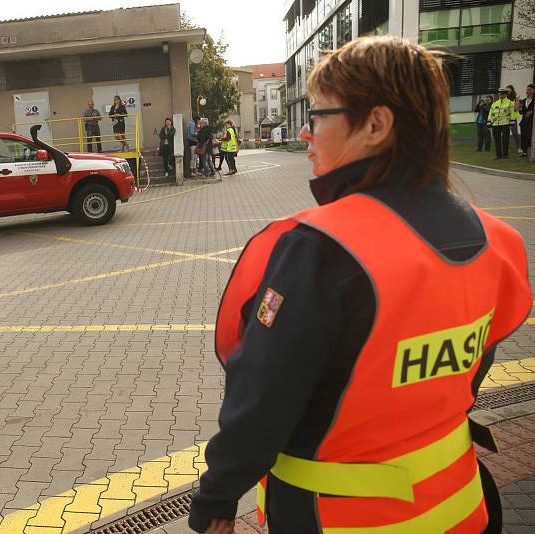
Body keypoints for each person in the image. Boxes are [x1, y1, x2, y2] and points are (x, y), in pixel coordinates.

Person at [188, 36, 531, 534]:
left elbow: (261, 406)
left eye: (318, 115)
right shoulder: (499, 242)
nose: (305, 132)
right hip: (461, 506)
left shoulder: (321, 248)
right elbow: (467, 378)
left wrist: (215, 500)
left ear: (375, 124)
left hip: (340, 519)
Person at [488, 87, 515, 159]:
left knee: (505, 140)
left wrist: (512, 123)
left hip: (505, 124)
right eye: (500, 94)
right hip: (495, 124)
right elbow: (490, 113)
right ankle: (498, 155)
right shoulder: (494, 103)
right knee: (497, 140)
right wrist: (489, 122)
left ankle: (505, 154)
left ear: (506, 94)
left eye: (502, 94)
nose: (501, 95)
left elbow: (512, 113)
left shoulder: (510, 103)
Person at [506, 85, 523, 155]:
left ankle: (519, 147)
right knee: (505, 133)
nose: (508, 91)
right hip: (505, 118)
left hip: (512, 118)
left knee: (515, 133)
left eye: (509, 90)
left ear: (512, 90)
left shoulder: (516, 97)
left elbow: (516, 109)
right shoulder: (505, 97)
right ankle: (506, 148)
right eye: (507, 90)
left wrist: (517, 100)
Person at [520, 84, 534, 158]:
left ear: (533, 90)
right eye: (526, 89)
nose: (527, 91)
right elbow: (520, 112)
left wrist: (532, 111)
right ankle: (524, 152)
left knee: (530, 137)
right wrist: (519, 107)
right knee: (524, 137)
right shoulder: (523, 100)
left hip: (532, 123)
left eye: (529, 89)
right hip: (524, 122)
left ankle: (532, 151)